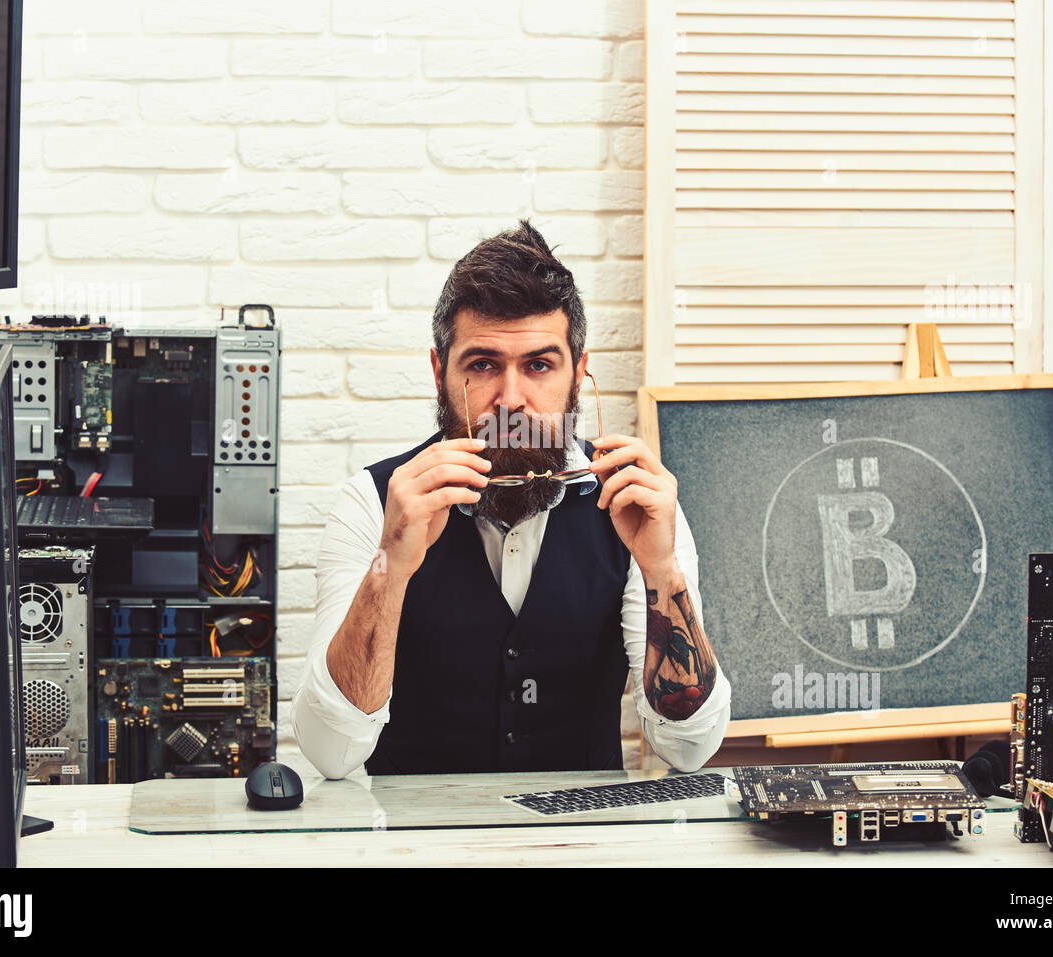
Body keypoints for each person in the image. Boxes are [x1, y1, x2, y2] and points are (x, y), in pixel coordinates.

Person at [291, 221, 730, 777]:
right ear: (439, 372)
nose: (512, 400)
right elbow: (331, 753)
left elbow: (689, 748)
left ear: (579, 374)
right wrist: (389, 567)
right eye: (483, 365)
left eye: (539, 365)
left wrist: (661, 570)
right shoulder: (373, 503)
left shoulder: (635, 505)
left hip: (583, 846)